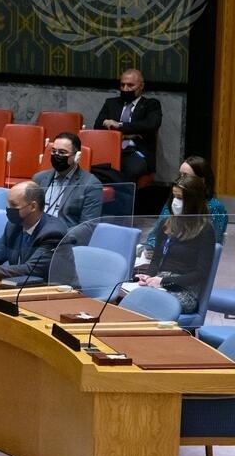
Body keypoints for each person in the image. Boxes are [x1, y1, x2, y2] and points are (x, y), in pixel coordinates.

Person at [132, 174, 216, 313]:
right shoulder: (166, 224)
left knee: (149, 303)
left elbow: (200, 273)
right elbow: (156, 259)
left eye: (180, 198)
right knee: (129, 297)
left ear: (193, 201)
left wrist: (163, 281)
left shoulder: (205, 230)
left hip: (185, 290)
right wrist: (149, 276)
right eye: (174, 197)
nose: (176, 202)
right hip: (160, 282)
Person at [93, 68, 161, 181]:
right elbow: (98, 125)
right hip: (111, 149)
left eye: (130, 85)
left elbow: (151, 124)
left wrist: (119, 125)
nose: (125, 89)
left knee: (129, 169)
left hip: (136, 151)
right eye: (122, 85)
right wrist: (130, 134)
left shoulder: (151, 104)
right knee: (94, 167)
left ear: (141, 86)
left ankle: (120, 192)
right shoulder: (111, 103)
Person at [147, 155, 227, 248]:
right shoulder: (174, 201)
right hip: (164, 251)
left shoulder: (215, 207)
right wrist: (149, 249)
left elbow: (212, 244)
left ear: (202, 180)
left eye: (185, 176)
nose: (180, 180)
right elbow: (155, 234)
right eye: (180, 175)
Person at [32, 132, 103, 228]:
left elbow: (88, 227)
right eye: (53, 151)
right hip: (35, 232)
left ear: (77, 156)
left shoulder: (91, 185)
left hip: (64, 235)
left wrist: (58, 236)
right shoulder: (38, 178)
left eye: (62, 152)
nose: (56, 155)